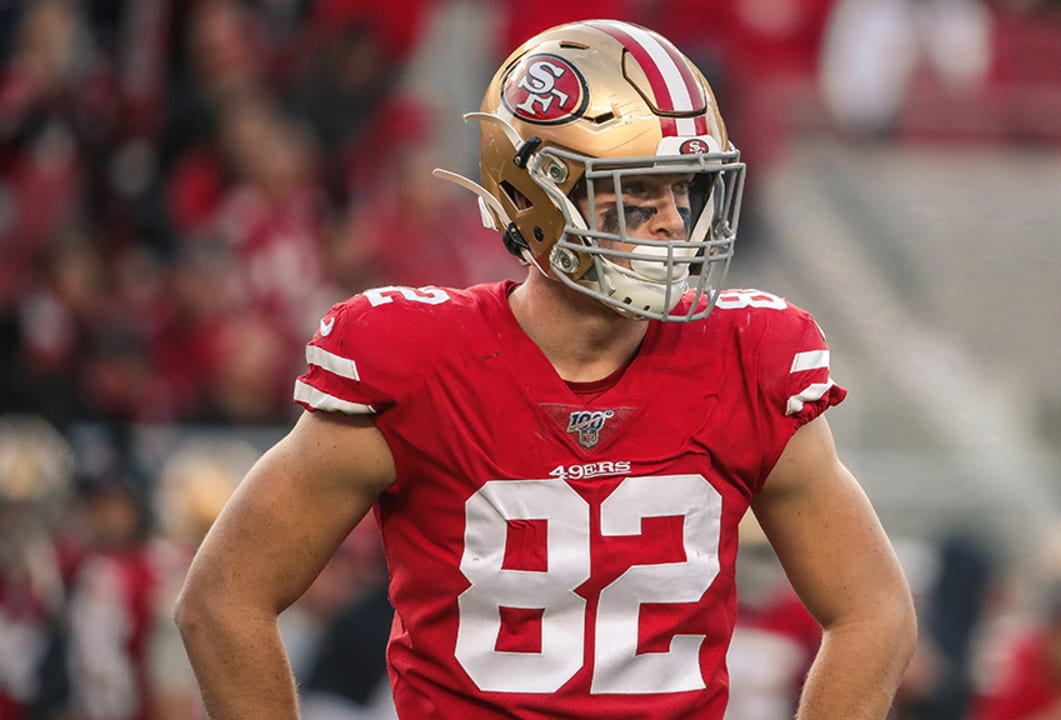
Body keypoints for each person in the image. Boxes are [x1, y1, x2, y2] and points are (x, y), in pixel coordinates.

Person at [175, 19, 916, 719]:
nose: (672, 221)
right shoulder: (419, 361)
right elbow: (222, 602)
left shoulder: (748, 359)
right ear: (542, 196)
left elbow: (873, 611)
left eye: (683, 190)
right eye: (638, 192)